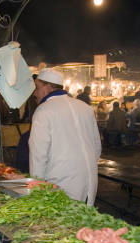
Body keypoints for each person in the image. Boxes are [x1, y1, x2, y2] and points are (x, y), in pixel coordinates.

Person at [29, 68, 101, 205]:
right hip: (89, 181)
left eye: (37, 88)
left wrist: (36, 191)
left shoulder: (43, 110)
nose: (35, 93)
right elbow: (97, 147)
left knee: (64, 224)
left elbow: (38, 156)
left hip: (61, 183)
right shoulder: (85, 107)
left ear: (48, 87)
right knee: (83, 221)